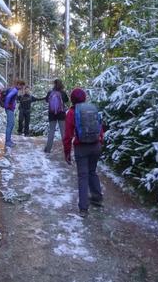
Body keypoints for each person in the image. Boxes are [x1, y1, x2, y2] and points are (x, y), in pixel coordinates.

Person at [63, 88, 104, 217]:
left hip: (81, 147)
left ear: (72, 99)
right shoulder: (92, 109)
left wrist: (67, 153)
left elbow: (68, 136)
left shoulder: (71, 112)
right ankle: (97, 198)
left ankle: (83, 208)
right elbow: (100, 128)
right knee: (92, 171)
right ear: (85, 98)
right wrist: (99, 142)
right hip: (96, 145)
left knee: (83, 176)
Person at [44, 79, 69, 153]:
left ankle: (48, 149)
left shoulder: (50, 92)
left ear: (54, 84)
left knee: (51, 131)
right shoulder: (63, 92)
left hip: (52, 114)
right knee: (63, 131)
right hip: (61, 114)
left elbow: (46, 100)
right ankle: (66, 149)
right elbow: (67, 100)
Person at [4, 80, 25, 148]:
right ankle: (7, 142)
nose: (22, 88)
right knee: (10, 125)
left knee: (11, 124)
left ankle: (9, 140)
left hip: (10, 109)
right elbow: (8, 97)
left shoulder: (14, 89)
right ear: (18, 84)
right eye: (21, 86)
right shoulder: (15, 90)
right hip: (9, 109)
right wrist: (7, 106)